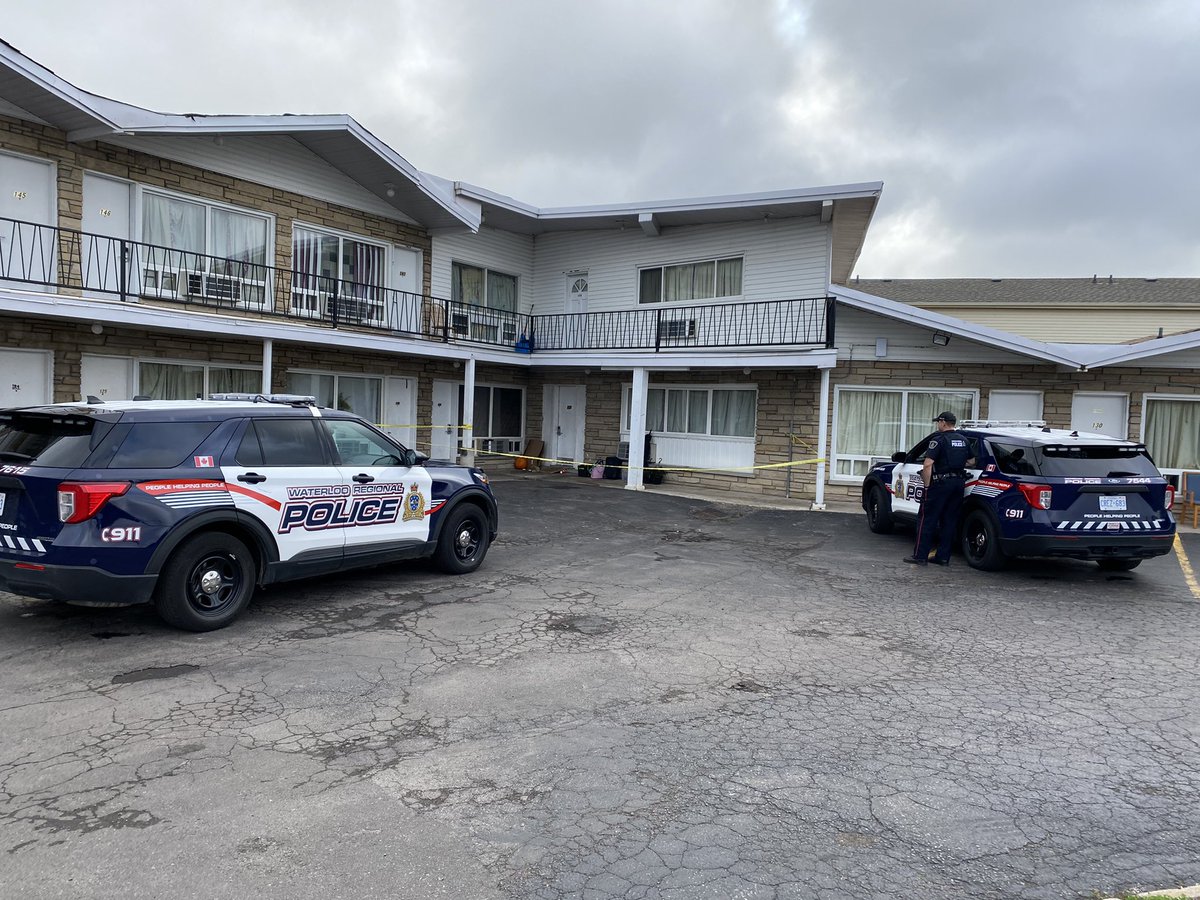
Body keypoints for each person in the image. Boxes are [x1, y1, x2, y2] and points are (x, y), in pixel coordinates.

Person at [903, 411, 974, 567]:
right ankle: (942, 557)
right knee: (949, 521)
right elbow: (971, 460)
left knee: (927, 519)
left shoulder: (939, 440)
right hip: (958, 483)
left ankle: (920, 556)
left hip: (940, 484)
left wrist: (927, 486)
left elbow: (927, 464)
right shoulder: (963, 440)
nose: (937, 425)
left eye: (938, 422)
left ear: (943, 422)